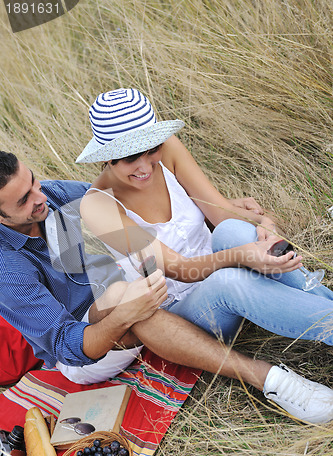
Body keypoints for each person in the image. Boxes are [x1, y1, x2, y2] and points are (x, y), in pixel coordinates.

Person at [71, 87, 333, 423]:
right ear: (106, 157)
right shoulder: (98, 204)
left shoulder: (168, 151)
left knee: (232, 232)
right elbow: (179, 270)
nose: (145, 166)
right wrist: (242, 255)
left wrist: (263, 225)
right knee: (229, 278)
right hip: (184, 314)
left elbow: (221, 212)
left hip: (220, 269)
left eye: (150, 150)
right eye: (129, 158)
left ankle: (325, 306)